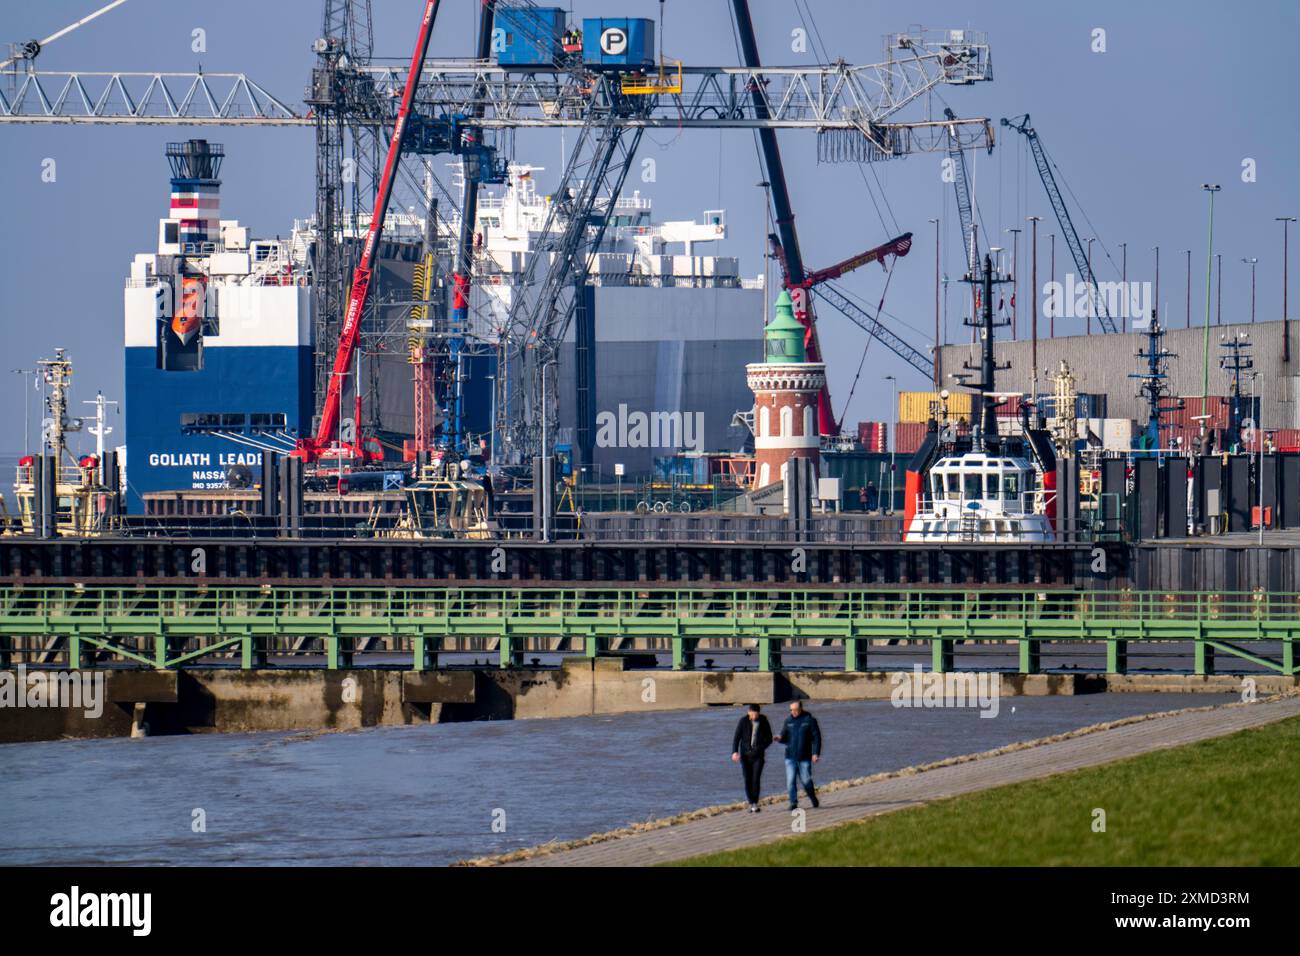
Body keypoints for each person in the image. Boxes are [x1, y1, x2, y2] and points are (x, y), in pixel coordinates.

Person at [773, 699, 821, 810]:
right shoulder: (788, 721)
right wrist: (779, 738)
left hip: (804, 757)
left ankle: (813, 797)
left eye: (795, 710)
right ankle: (793, 803)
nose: (793, 712)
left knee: (806, 781)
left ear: (801, 709)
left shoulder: (809, 720)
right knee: (790, 781)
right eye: (791, 710)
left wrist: (815, 753)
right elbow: (784, 737)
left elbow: (816, 738)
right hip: (790, 757)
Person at [731, 703, 773, 812]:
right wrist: (735, 752)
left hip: (758, 756)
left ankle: (755, 803)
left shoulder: (763, 721)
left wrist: (761, 748)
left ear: (759, 713)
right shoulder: (743, 721)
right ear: (748, 712)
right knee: (747, 779)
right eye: (752, 714)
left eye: (756, 714)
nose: (754, 716)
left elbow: (769, 738)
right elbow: (736, 738)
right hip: (745, 756)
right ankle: (751, 802)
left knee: (756, 779)